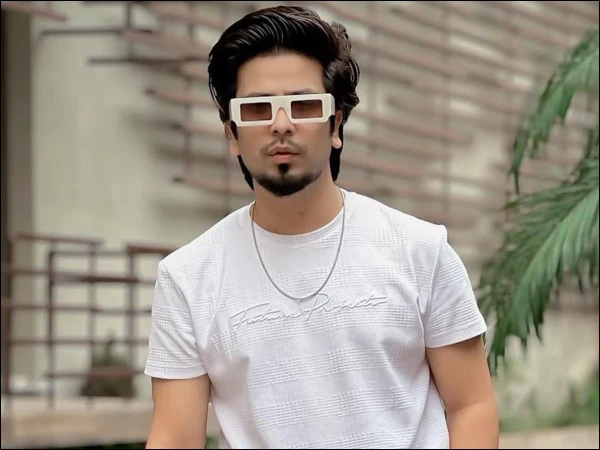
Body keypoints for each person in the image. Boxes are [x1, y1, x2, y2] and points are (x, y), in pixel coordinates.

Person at [144, 5, 499, 449]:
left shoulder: (420, 250)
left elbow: (471, 406)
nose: (281, 124)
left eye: (303, 105)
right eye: (257, 109)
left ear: (336, 124)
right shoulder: (187, 277)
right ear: (232, 133)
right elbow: (175, 437)